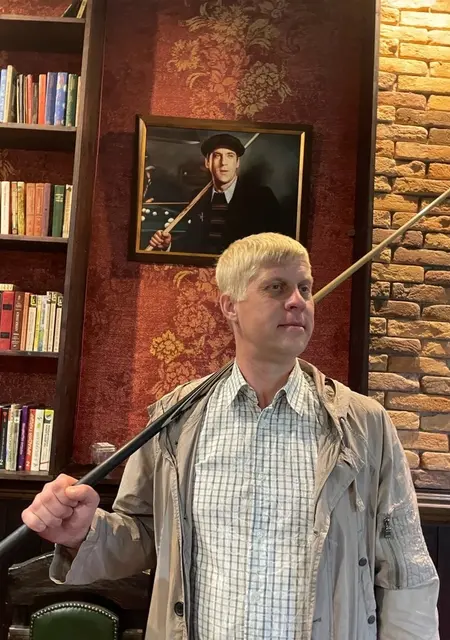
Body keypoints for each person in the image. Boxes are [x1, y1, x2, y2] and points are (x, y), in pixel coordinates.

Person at [22, 233, 439, 640]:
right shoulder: (175, 418)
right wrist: (83, 533)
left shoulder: (364, 424)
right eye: (276, 287)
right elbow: (144, 533)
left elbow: (407, 570)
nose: (297, 301)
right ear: (229, 306)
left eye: (305, 288)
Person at [148, 133, 283, 255]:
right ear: (207, 162)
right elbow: (193, 242)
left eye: (230, 156)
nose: (223, 163)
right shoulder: (197, 197)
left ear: (237, 163)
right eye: (217, 156)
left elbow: (280, 245)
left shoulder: (261, 197)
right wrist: (168, 245)